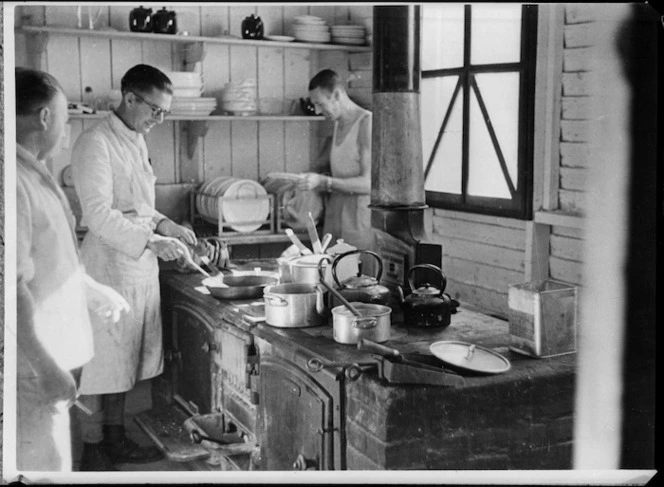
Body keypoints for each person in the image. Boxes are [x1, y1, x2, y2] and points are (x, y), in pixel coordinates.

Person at [70, 64, 197, 470]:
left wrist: (165, 223)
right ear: (130, 99)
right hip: (108, 266)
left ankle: (115, 438)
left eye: (165, 113)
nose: (160, 120)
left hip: (138, 267)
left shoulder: (136, 140)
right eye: (156, 110)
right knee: (101, 364)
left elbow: (138, 202)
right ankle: (93, 449)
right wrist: (151, 240)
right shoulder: (95, 143)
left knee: (125, 362)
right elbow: (98, 214)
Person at [15, 67, 130, 472]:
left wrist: (88, 288)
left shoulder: (30, 170)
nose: (66, 132)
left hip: (46, 358)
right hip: (31, 365)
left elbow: (46, 257)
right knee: (40, 467)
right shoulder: (11, 180)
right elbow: (10, 288)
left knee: (56, 461)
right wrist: (45, 366)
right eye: (64, 120)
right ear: (44, 117)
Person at [296, 69, 373, 251]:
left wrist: (325, 182)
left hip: (359, 218)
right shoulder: (337, 123)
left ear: (336, 95)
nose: (316, 111)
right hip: (335, 213)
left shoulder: (366, 123)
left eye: (320, 104)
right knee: (329, 273)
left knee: (357, 275)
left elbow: (369, 184)